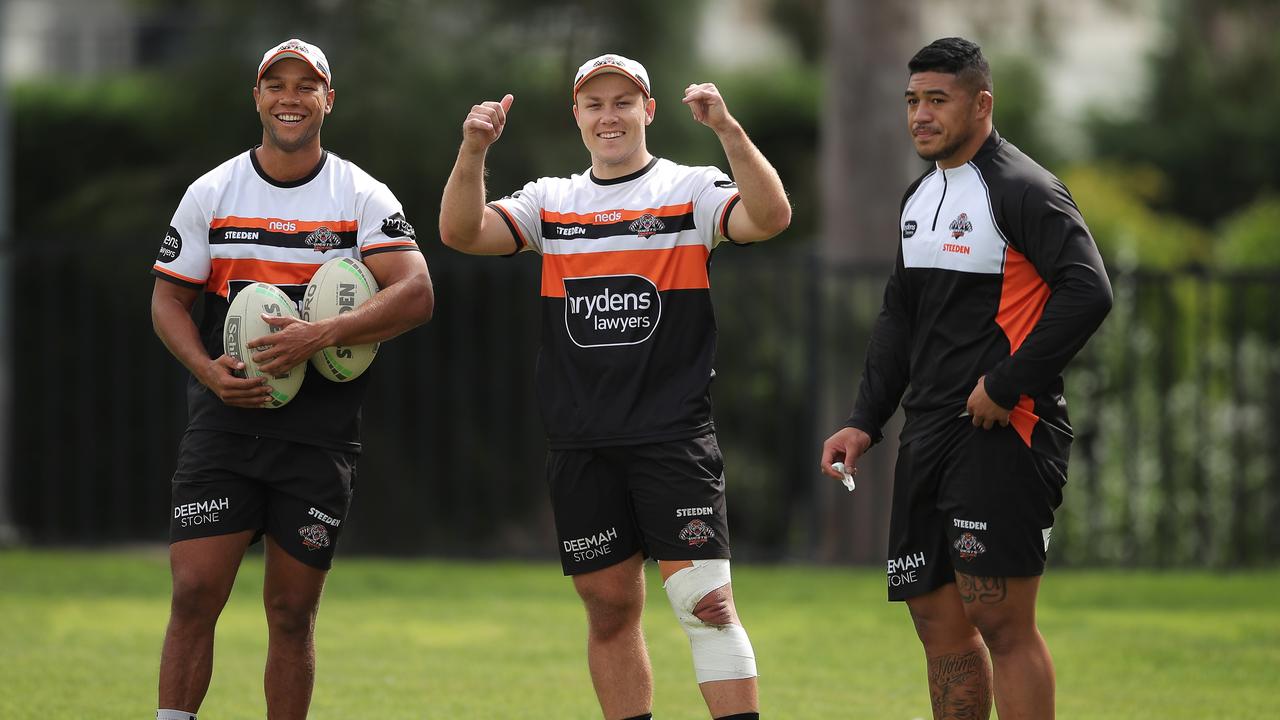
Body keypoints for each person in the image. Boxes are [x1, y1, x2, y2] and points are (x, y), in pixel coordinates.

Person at [439, 53, 790, 720]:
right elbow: (460, 232)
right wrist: (473, 149)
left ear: (647, 111)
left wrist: (728, 130)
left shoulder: (691, 190)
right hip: (581, 443)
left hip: (673, 437)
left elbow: (770, 218)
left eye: (622, 102)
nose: (609, 115)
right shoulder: (552, 201)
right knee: (608, 611)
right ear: (576, 115)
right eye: (594, 103)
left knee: (707, 607)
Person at [819, 37, 1112, 720]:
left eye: (937, 100)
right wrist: (865, 418)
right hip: (928, 434)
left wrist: (1008, 384)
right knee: (934, 617)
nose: (920, 115)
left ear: (981, 103)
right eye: (912, 101)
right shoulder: (920, 197)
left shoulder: (1023, 189)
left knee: (1001, 620)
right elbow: (899, 319)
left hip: (1005, 432)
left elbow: (1088, 292)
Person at [149, 38, 433, 720]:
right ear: (258, 98)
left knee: (290, 612)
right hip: (227, 418)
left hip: (318, 435)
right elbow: (167, 300)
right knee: (193, 592)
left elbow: (418, 292)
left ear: (327, 101)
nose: (290, 97)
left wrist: (324, 333)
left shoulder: (359, 194)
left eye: (307, 86)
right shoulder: (213, 191)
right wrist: (207, 372)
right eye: (276, 84)